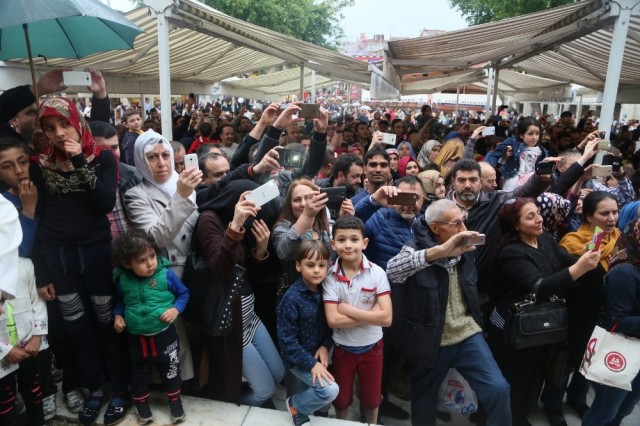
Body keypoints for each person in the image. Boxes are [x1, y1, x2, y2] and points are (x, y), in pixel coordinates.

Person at [31, 97, 129, 426]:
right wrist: (42, 270)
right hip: (58, 257)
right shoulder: (40, 162)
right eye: (50, 128)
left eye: (64, 124)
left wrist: (80, 162)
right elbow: (41, 214)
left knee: (106, 324)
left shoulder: (101, 158)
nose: (59, 133)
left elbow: (103, 202)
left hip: (96, 254)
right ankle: (92, 389)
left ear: (78, 122)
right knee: (77, 328)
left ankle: (118, 389)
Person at [386, 199, 511, 426]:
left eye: (464, 221)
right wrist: (440, 251)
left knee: (498, 389)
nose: (463, 229)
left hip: (467, 334)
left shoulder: (467, 249)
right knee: (424, 400)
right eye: (455, 223)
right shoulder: (415, 247)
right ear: (435, 227)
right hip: (430, 339)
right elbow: (393, 271)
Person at [488, 198, 600, 426]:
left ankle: (518, 414)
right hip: (513, 327)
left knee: (530, 375)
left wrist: (583, 259)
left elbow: (566, 262)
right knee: (512, 378)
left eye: (538, 213)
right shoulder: (512, 252)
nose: (539, 218)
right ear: (515, 225)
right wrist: (579, 268)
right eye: (530, 216)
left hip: (539, 325)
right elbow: (538, 287)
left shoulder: (546, 239)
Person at [193, 181, 285, 406]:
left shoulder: (243, 222)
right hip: (229, 323)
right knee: (265, 391)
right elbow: (221, 268)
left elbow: (246, 271)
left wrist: (261, 248)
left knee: (278, 374)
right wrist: (235, 225)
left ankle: (239, 392)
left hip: (249, 317)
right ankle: (228, 409)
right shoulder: (209, 220)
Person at [124, 130, 201, 383]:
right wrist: (180, 195)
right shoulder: (136, 195)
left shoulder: (186, 184)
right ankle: (178, 391)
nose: (161, 163)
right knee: (176, 346)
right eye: (152, 157)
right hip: (166, 281)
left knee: (198, 337)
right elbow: (155, 238)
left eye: (165, 154)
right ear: (139, 161)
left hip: (195, 271)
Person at [541, 191, 621, 425]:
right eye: (604, 213)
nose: (611, 218)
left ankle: (577, 399)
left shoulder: (620, 239)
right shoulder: (572, 242)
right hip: (575, 314)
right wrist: (581, 260)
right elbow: (563, 277)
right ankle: (552, 404)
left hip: (603, 315)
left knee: (591, 362)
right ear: (588, 216)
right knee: (564, 363)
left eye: (615, 212)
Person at [112, 229, 189, 424]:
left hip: (165, 336)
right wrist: (118, 316)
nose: (150, 264)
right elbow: (121, 302)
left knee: (170, 368)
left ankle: (174, 401)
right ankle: (141, 404)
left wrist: (175, 310)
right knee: (138, 372)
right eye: (142, 261)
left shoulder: (166, 275)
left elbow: (184, 294)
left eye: (152, 256)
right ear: (126, 263)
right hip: (137, 338)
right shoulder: (122, 280)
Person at [323, 216, 392, 424]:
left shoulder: (377, 273)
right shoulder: (330, 277)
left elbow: (387, 318)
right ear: (333, 244)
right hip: (343, 348)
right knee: (341, 399)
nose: (348, 245)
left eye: (354, 239)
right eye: (342, 240)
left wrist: (347, 310)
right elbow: (333, 320)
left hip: (372, 348)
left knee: (372, 399)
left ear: (365, 243)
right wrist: (371, 316)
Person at [582, 219, 640, 425]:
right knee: (605, 411)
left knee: (626, 408)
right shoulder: (625, 273)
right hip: (620, 351)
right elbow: (616, 322)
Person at [277, 240, 339, 426]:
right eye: (310, 265)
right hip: (298, 359)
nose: (317, 271)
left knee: (311, 388)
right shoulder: (291, 299)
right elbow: (287, 342)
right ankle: (295, 406)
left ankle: (300, 414)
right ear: (298, 265)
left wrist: (324, 345)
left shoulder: (326, 289)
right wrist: (312, 364)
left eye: (322, 265)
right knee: (329, 391)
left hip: (317, 353)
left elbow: (329, 325)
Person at [272, 178, 332, 297]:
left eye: (308, 198)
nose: (304, 204)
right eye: (297, 200)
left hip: (323, 291)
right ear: (289, 204)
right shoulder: (282, 226)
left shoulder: (321, 224)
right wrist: (306, 216)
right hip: (294, 295)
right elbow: (283, 253)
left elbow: (330, 258)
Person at [485, 118, 548, 191]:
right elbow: (492, 155)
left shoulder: (543, 151)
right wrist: (487, 171)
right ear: (521, 135)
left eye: (537, 133)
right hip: (513, 183)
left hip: (533, 184)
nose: (534, 137)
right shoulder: (513, 143)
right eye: (530, 134)